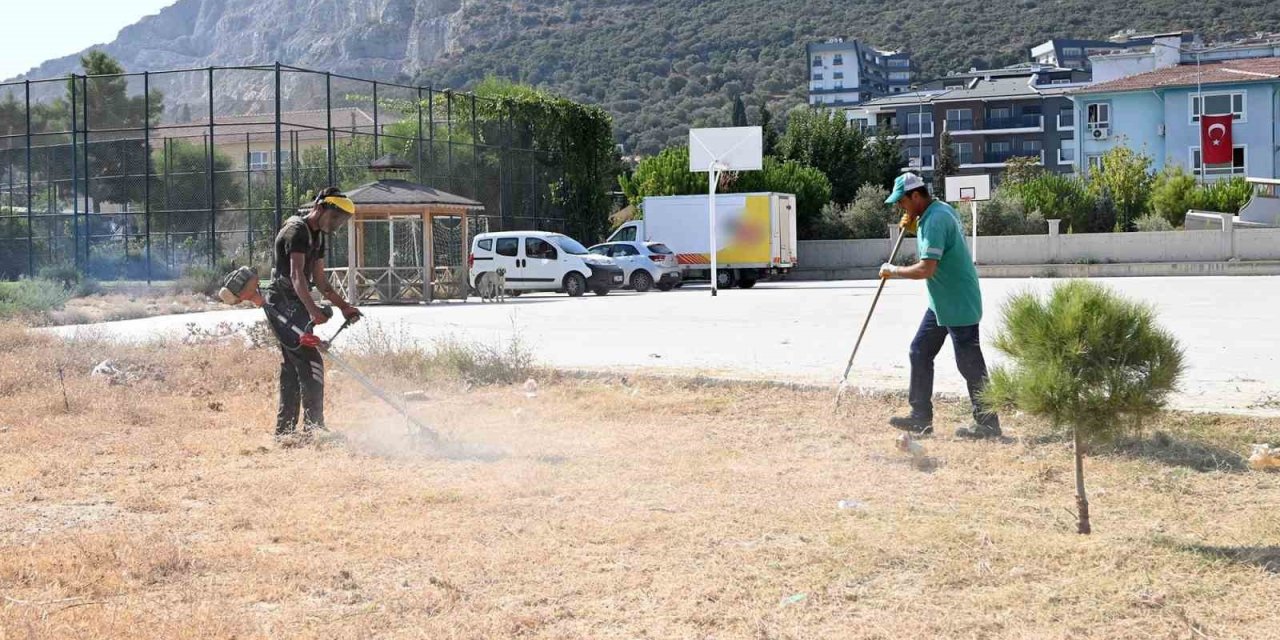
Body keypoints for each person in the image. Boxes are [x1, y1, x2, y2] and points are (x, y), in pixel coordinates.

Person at [226, 187, 362, 444]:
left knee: (292, 367)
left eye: (342, 220)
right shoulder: (296, 231)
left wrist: (344, 306)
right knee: (311, 363)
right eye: (336, 217)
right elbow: (297, 275)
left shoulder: (318, 236)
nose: (337, 224)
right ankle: (314, 430)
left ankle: (285, 432)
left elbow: (320, 281)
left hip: (296, 305)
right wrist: (314, 310)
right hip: (282, 305)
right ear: (321, 208)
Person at [878, 173, 1001, 439]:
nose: (901, 207)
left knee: (970, 365)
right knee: (920, 351)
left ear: (916, 196)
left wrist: (894, 271)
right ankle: (920, 418)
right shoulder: (937, 211)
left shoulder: (935, 220)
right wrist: (915, 226)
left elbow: (926, 269)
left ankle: (989, 424)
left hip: (958, 302)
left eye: (902, 202)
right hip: (942, 302)